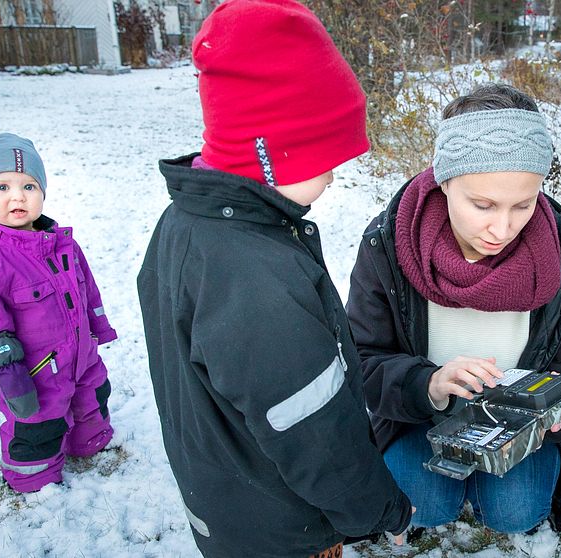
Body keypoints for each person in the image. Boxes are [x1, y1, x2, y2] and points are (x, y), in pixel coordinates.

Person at [136, 1, 412, 556]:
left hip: (228, 497)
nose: (335, 176)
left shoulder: (188, 221)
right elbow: (313, 432)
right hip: (284, 525)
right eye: (326, 155)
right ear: (272, 154)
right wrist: (380, 509)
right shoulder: (254, 274)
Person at [346, 83, 561, 535]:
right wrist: (428, 383)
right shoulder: (389, 248)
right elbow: (362, 363)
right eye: (483, 204)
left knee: (516, 513)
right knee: (424, 504)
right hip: (421, 419)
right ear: (445, 180)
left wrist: (554, 410)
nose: (503, 227)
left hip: (516, 431)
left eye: (523, 205)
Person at [0, 133, 117, 494]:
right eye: (1, 186)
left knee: (92, 400)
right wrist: (14, 383)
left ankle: (87, 442)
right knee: (38, 423)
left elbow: (88, 291)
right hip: (36, 373)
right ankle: (34, 477)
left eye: (29, 185)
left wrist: (98, 330)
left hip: (81, 357)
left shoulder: (64, 245)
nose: (18, 196)